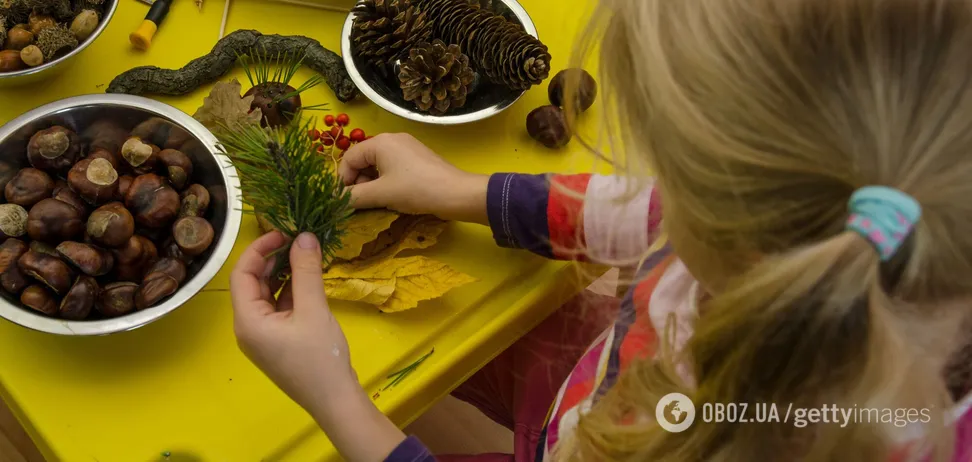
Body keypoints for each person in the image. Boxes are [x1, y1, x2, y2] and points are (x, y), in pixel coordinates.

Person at [229, 0, 972, 460]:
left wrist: (337, 401)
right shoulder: (869, 233)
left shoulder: (714, 435)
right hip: (588, 397)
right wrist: (470, 192)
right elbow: (652, 212)